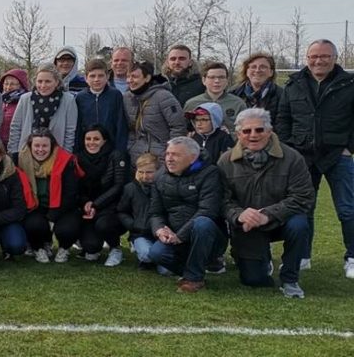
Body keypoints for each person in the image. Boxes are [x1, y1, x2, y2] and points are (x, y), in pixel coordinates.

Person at [275, 38, 354, 277]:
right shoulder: (294, 84)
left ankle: (352, 257)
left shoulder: (349, 84)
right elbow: (283, 118)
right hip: (302, 157)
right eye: (314, 56)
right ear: (307, 58)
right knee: (303, 209)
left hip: (338, 155)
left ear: (334, 58)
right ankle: (303, 255)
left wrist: (349, 147)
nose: (319, 60)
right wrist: (289, 149)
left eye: (324, 56)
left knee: (347, 209)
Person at [218, 108, 313, 298]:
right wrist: (239, 215)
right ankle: (260, 260)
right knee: (254, 280)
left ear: (269, 131)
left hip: (282, 220)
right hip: (247, 226)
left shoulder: (292, 158)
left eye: (259, 130)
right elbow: (221, 199)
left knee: (300, 224)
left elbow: (303, 197)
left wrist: (267, 214)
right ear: (238, 134)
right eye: (247, 131)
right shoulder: (225, 161)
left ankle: (290, 278)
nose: (253, 135)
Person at [147, 136, 226, 293]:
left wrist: (180, 235)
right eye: (168, 154)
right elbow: (155, 212)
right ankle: (193, 271)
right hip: (175, 235)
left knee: (202, 223)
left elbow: (208, 211)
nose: (169, 158)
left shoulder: (210, 173)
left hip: (207, 236)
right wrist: (160, 230)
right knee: (156, 253)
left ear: (192, 157)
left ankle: (194, 278)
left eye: (176, 154)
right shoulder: (159, 177)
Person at [17, 130, 81, 264]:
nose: (40, 150)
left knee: (66, 230)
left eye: (45, 146)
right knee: (34, 225)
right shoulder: (20, 160)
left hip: (62, 207)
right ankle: (38, 247)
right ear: (30, 146)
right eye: (37, 146)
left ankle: (64, 248)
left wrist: (53, 217)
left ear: (52, 146)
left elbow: (71, 194)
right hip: (35, 207)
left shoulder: (65, 160)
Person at [74, 125, 128, 266]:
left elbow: (118, 186)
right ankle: (91, 245)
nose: (91, 142)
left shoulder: (116, 155)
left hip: (110, 207)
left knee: (104, 225)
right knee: (90, 248)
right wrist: (85, 202)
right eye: (88, 139)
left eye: (96, 139)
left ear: (104, 140)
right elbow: (77, 188)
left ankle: (115, 248)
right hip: (88, 208)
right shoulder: (78, 158)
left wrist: (96, 204)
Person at [123, 60, 186, 163]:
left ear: (147, 78)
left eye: (134, 76)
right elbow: (129, 129)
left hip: (160, 157)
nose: (130, 80)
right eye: (128, 76)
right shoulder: (127, 98)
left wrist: (170, 152)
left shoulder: (163, 96)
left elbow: (178, 126)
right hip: (136, 157)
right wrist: (130, 147)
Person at [7, 66, 78, 154]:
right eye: (40, 81)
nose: (43, 85)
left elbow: (70, 132)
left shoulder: (68, 100)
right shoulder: (25, 99)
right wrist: (13, 152)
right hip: (27, 152)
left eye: (48, 81)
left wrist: (66, 155)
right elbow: (15, 128)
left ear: (56, 82)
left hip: (56, 153)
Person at [74, 59, 129, 152]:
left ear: (107, 76)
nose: (96, 79)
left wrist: (120, 151)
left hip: (110, 148)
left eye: (100, 76)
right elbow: (78, 126)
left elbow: (121, 124)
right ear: (86, 78)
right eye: (92, 76)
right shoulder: (80, 98)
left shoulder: (115, 95)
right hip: (87, 148)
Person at [118, 153, 160, 269]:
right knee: (146, 255)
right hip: (140, 234)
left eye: (149, 172)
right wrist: (132, 225)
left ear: (158, 171)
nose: (145, 176)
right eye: (141, 172)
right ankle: (142, 253)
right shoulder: (130, 188)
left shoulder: (163, 187)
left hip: (159, 234)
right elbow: (122, 211)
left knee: (165, 270)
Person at [183, 62, 247, 132]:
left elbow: (245, 130)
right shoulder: (192, 104)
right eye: (212, 77)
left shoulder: (238, 104)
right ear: (204, 80)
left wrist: (229, 134)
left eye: (221, 77)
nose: (217, 81)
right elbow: (184, 129)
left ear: (227, 80)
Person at [232, 51, 282, 126]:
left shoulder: (282, 95)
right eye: (253, 67)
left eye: (263, 67)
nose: (258, 70)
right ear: (246, 71)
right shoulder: (233, 94)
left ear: (271, 72)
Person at [0, 68, 29, 148]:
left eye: (12, 84)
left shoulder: (25, 101)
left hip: (17, 144)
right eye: (6, 83)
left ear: (21, 85)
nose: (8, 87)